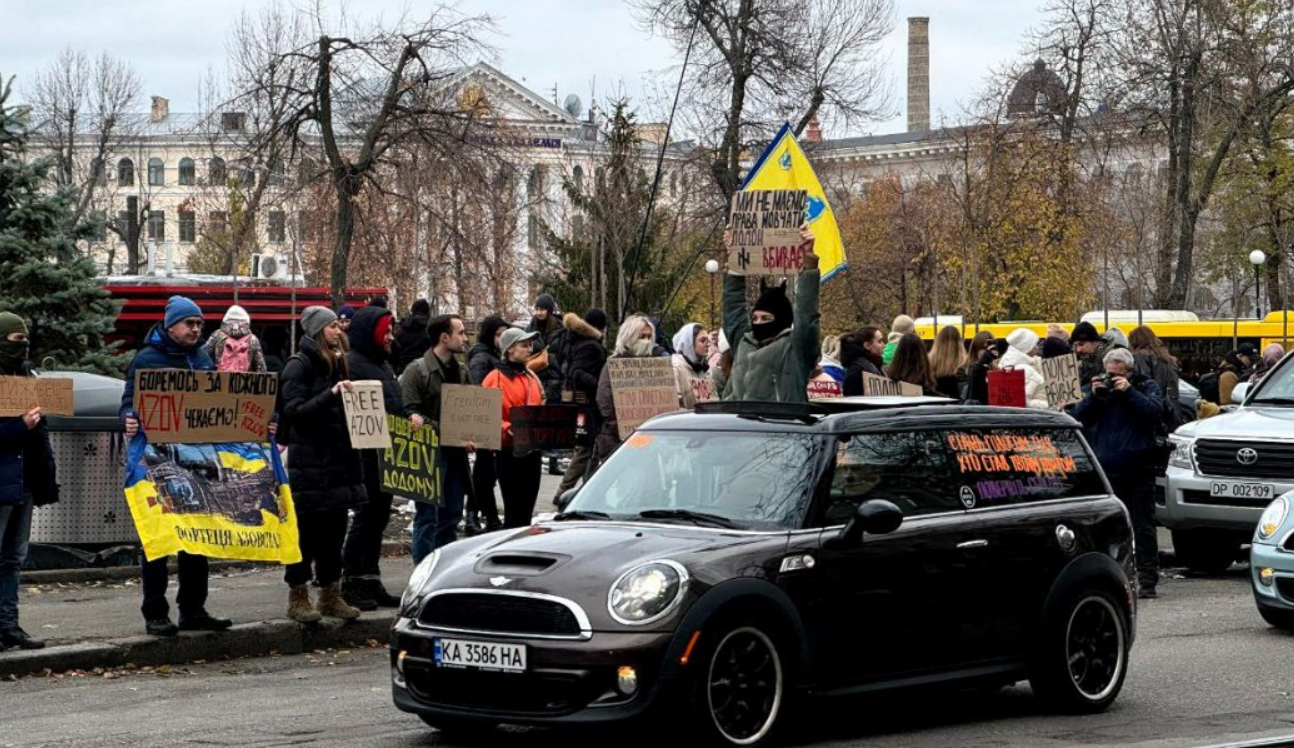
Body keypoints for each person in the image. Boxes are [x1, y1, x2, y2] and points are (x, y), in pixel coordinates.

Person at [121, 296, 231, 637]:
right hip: (156, 462)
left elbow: (221, 404)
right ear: (171, 326)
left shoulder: (201, 359)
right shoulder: (146, 360)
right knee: (158, 539)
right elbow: (129, 402)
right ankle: (155, 613)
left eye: (199, 324)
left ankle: (193, 609)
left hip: (196, 461)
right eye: (190, 323)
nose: (196, 329)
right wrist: (128, 418)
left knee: (196, 538)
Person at [278, 306, 365, 623]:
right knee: (306, 535)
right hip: (309, 465)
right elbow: (294, 412)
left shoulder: (339, 363)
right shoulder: (298, 366)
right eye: (330, 327)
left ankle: (330, 594)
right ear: (316, 331)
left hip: (338, 463)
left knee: (334, 533)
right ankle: (298, 597)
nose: (337, 331)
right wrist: (331, 395)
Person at [1072, 347, 1164, 598]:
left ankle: (1147, 579)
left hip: (1137, 468)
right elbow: (1078, 418)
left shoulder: (1145, 386)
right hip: (1106, 471)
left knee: (1142, 525)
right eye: (1108, 373)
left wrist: (1129, 392)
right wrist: (1093, 395)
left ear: (1128, 371)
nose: (1111, 379)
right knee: (1107, 529)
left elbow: (1154, 413)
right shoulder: (1100, 390)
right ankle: (1114, 577)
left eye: (1116, 375)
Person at [340, 305, 410, 611]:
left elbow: (393, 404)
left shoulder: (382, 364)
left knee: (379, 517)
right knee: (365, 518)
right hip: (363, 457)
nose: (391, 337)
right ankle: (351, 581)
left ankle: (370, 578)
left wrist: (409, 418)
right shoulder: (353, 365)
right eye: (387, 331)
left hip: (385, 455)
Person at [0, 313, 57, 651]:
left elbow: (40, 435)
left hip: (23, 482)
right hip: (3, 483)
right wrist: (20, 425)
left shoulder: (28, 377)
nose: (23, 346)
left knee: (12, 559)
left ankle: (8, 627)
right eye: (15, 340)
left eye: (25, 340)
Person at [400, 315, 472, 562]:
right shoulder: (417, 370)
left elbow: (470, 412)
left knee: (452, 515)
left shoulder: (462, 371)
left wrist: (472, 435)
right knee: (428, 516)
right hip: (428, 455)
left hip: (455, 454)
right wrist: (444, 429)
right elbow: (408, 413)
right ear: (445, 337)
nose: (465, 338)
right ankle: (423, 573)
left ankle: (444, 572)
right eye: (461, 332)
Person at [721, 227, 820, 403]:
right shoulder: (744, 342)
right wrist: (735, 260)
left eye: (766, 318)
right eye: (755, 318)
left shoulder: (796, 349)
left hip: (781, 426)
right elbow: (733, 309)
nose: (759, 324)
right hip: (737, 426)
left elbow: (806, 315)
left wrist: (808, 262)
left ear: (781, 320)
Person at [482, 328, 545, 528]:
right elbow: (485, 417)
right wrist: (507, 428)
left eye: (530, 344)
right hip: (509, 452)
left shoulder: (532, 377)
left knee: (526, 513)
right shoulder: (494, 378)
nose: (530, 349)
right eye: (524, 345)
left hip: (532, 452)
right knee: (513, 512)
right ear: (510, 350)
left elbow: (539, 408)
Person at [554, 309, 609, 501]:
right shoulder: (591, 346)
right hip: (586, 404)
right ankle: (563, 492)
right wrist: (599, 385)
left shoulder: (573, 340)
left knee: (590, 451)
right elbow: (577, 373)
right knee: (586, 450)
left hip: (578, 404)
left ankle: (588, 493)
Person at [592, 315, 657, 472]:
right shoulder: (613, 366)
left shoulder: (653, 367)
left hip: (647, 443)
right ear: (629, 337)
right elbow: (604, 400)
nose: (646, 341)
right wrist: (622, 428)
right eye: (642, 336)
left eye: (649, 337)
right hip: (616, 441)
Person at [464, 315, 509, 535]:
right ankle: (475, 516)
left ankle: (486, 517)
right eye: (498, 334)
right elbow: (478, 388)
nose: (502, 338)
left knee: (486, 475)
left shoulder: (492, 355)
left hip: (491, 422)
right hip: (484, 422)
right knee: (483, 474)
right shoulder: (482, 357)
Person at [1129, 325, 1183, 436]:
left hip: (1154, 412)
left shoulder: (1138, 357)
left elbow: (1144, 384)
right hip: (1172, 410)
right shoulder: (1168, 360)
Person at [204, 305, 267, 373]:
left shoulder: (217, 334)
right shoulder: (252, 339)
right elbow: (261, 368)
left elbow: (203, 355)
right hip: (244, 380)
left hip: (221, 380)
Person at [1001, 328, 1050, 409]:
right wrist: (1052, 406)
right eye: (1034, 344)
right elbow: (1025, 402)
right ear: (1026, 347)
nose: (1037, 348)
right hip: (1039, 416)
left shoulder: (1013, 365)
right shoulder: (1025, 369)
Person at [671, 322, 715, 408]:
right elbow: (675, 406)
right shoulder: (675, 367)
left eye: (708, 340)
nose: (708, 344)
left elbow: (714, 400)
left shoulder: (705, 369)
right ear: (689, 343)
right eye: (702, 340)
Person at [841, 326, 886, 396]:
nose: (884, 345)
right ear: (867, 345)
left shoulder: (875, 364)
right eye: (879, 341)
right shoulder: (856, 370)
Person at [393, 299, 433, 375]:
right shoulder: (431, 329)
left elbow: (394, 349)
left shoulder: (402, 327)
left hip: (402, 370)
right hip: (425, 371)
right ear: (427, 312)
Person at [928, 325, 967, 400]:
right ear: (959, 343)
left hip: (933, 407)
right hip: (959, 408)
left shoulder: (928, 364)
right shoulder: (965, 364)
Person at [1070, 321, 1109, 387]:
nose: (1078, 350)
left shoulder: (1110, 359)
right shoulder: (1083, 362)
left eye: (1081, 344)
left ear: (1094, 342)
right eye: (1075, 346)